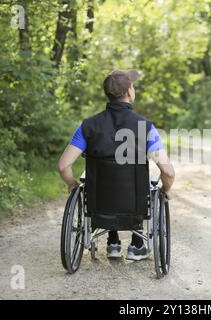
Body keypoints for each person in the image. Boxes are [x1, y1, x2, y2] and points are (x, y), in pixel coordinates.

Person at [57, 69, 175, 261]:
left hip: (99, 206)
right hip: (135, 205)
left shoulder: (87, 126)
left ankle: (113, 241)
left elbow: (63, 166)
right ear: (129, 92)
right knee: (145, 182)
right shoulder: (145, 127)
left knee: (101, 179)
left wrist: (72, 184)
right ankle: (137, 245)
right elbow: (167, 172)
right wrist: (167, 189)